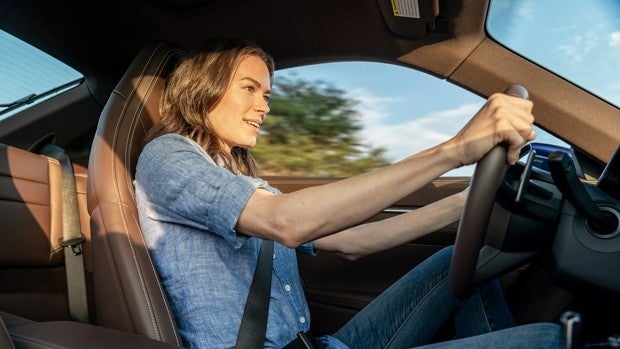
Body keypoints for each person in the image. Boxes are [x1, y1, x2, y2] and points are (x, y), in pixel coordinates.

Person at [134, 38, 561, 348]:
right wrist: (453, 150)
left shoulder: (244, 180)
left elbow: (356, 242)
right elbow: (284, 222)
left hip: (323, 345)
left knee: (459, 264)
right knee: (548, 339)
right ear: (201, 88)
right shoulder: (168, 156)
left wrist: (468, 201)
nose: (264, 105)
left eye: (267, 94)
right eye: (249, 88)